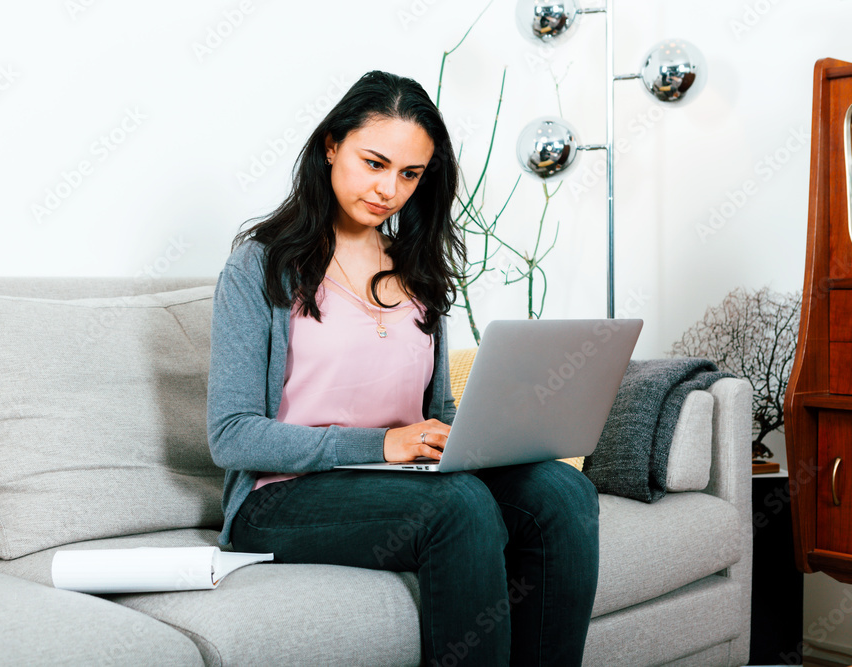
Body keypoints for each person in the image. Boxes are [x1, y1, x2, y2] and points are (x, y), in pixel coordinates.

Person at [207, 70, 599, 666]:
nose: (389, 188)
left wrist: (487, 432)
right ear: (332, 145)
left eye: (410, 174)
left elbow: (432, 414)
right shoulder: (260, 267)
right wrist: (382, 443)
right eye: (374, 162)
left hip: (408, 478)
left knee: (561, 490)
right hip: (284, 496)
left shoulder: (417, 272)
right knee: (460, 505)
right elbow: (232, 436)